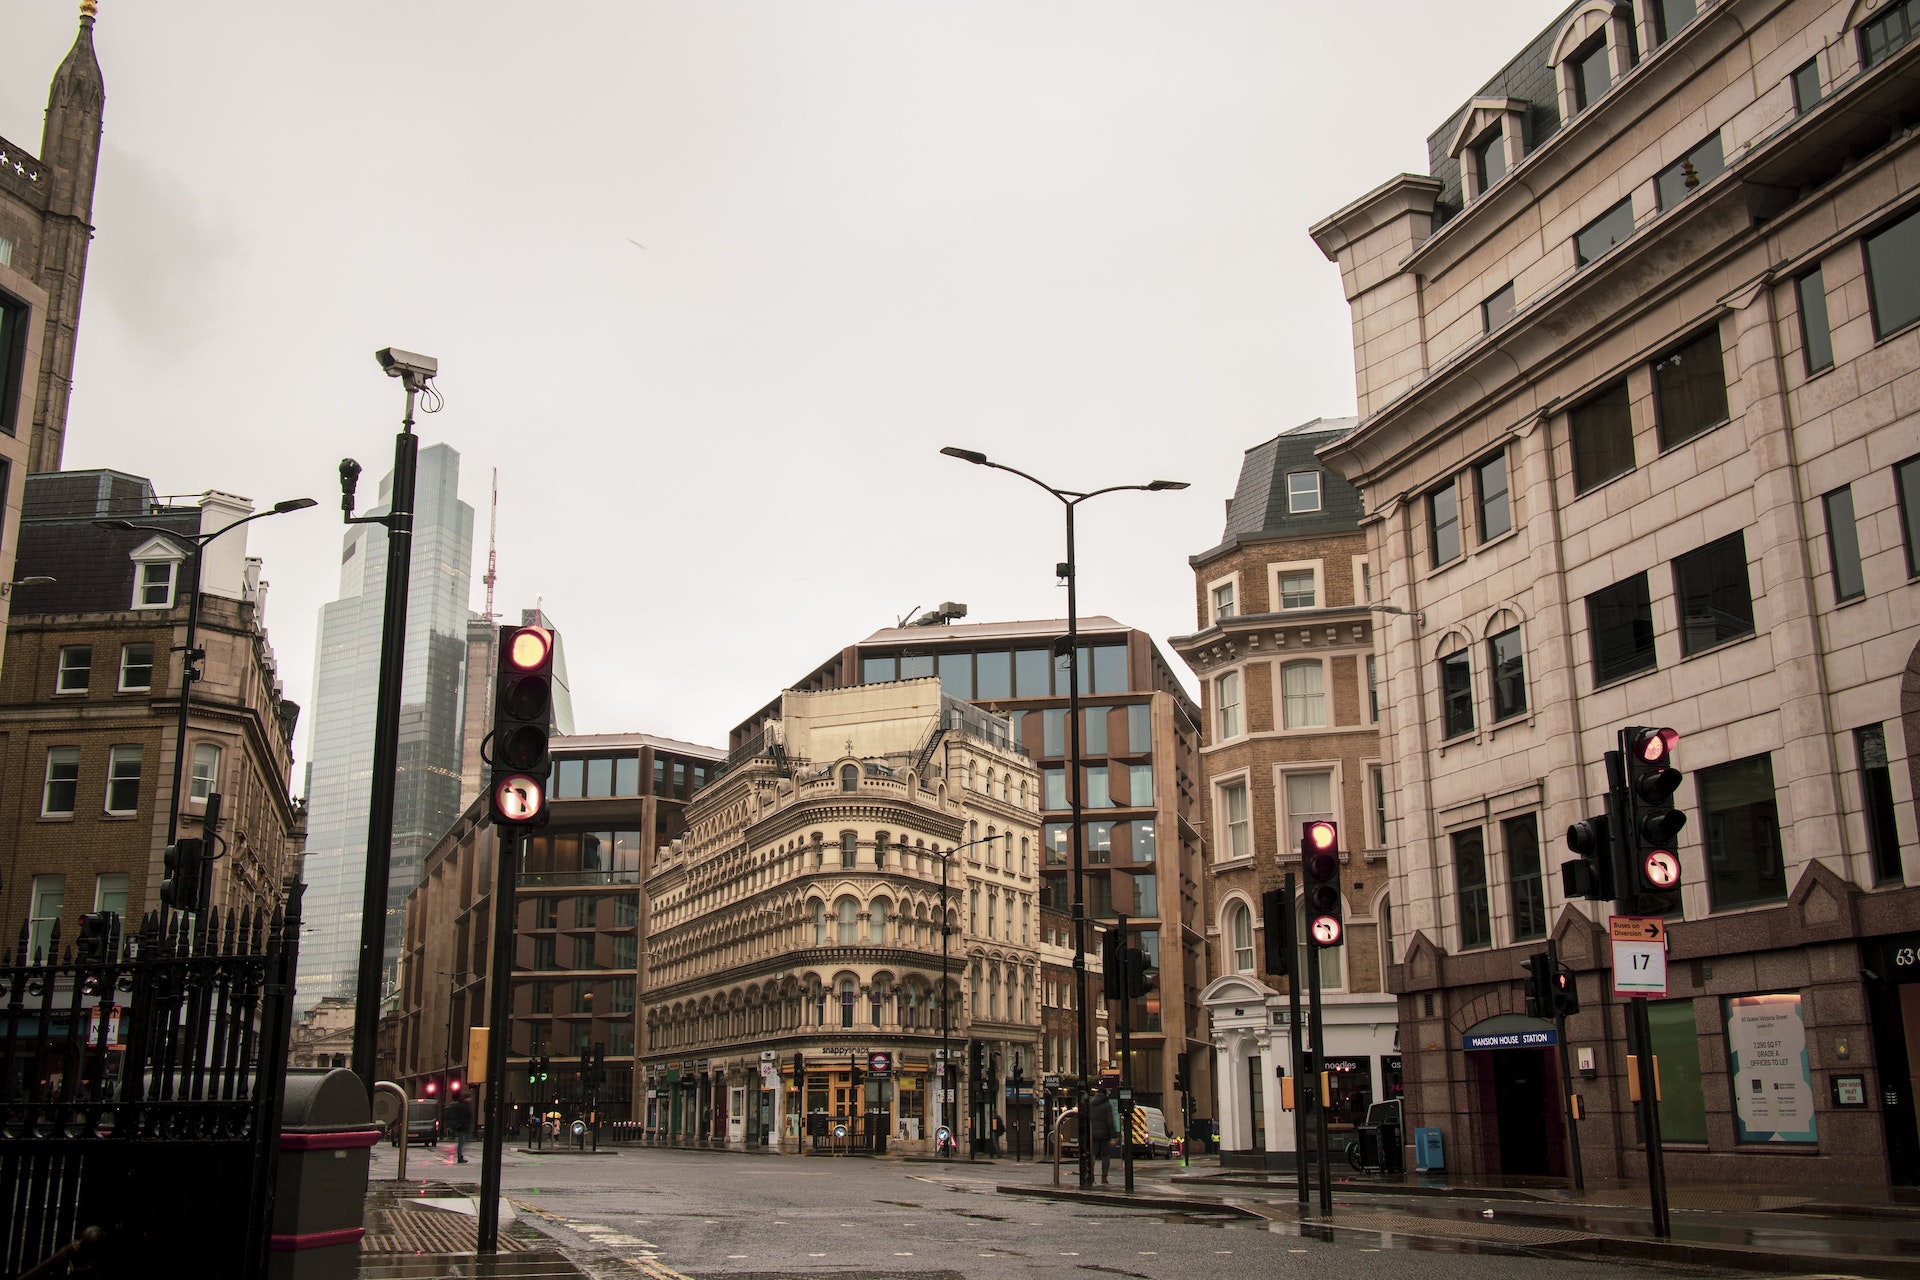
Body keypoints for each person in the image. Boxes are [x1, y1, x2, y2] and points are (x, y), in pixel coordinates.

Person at [1088, 1094, 1117, 1184]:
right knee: (1106, 1156)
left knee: (1092, 1155)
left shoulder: (1091, 1104)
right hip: (1105, 1134)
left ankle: (1090, 1175)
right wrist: (1113, 1136)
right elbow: (1110, 1121)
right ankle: (1104, 1177)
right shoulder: (1107, 1105)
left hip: (1093, 1133)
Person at [446, 1096, 472, 1164]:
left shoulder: (463, 1105)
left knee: (463, 1142)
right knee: (462, 1142)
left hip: (462, 1127)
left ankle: (460, 1156)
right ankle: (460, 1157)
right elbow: (464, 1117)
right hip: (462, 1127)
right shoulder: (463, 1106)